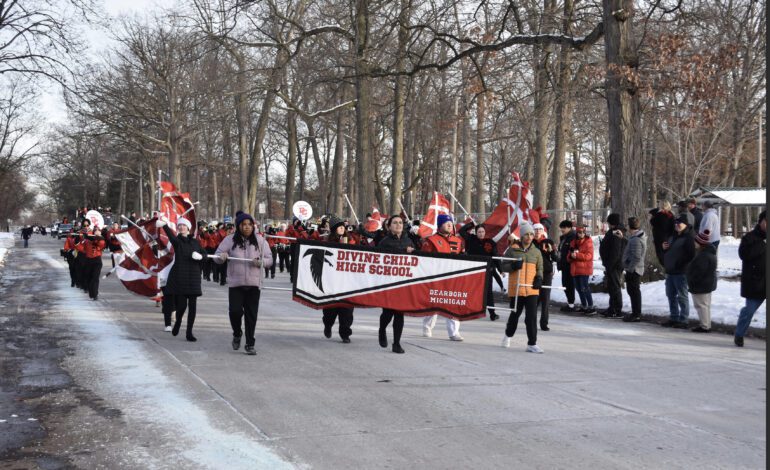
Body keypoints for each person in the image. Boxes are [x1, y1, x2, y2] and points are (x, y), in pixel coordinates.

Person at [214, 212, 273, 355]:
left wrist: (261, 262)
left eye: (249, 225)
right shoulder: (229, 240)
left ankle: (250, 343)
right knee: (235, 312)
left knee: (251, 315)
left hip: (254, 284)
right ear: (238, 226)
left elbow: (269, 259)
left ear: (253, 226)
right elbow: (217, 256)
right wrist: (221, 257)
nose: (247, 227)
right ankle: (237, 333)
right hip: (236, 283)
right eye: (243, 224)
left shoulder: (260, 241)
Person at [158, 217, 206, 341]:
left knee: (193, 306)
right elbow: (170, 236)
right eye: (179, 226)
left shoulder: (195, 242)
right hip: (180, 276)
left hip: (194, 277)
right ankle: (178, 321)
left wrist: (201, 256)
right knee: (182, 306)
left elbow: (205, 254)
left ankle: (189, 332)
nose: (181, 227)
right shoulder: (177, 241)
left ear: (188, 228)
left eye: (184, 225)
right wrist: (164, 225)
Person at [500, 223, 544, 353]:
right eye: (527, 234)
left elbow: (540, 268)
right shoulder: (512, 250)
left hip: (531, 289)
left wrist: (539, 278)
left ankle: (532, 343)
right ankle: (508, 335)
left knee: (531, 317)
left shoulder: (536, 251)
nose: (529, 237)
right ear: (521, 235)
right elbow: (503, 266)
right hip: (517, 288)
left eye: (531, 234)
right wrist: (513, 266)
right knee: (515, 315)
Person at [376, 215, 418, 354]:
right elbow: (380, 259)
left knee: (400, 314)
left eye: (400, 223)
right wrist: (402, 252)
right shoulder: (384, 242)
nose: (398, 225)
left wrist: (415, 252)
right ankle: (382, 330)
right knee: (387, 313)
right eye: (395, 223)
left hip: (403, 283)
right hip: (388, 283)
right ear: (389, 226)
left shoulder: (408, 240)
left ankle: (396, 343)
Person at [420, 214, 465, 341]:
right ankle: (427, 326)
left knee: (453, 303)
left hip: (454, 279)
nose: (449, 224)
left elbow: (464, 257)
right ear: (440, 225)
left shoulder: (458, 241)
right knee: (434, 304)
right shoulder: (431, 240)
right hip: (436, 278)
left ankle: (454, 332)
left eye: (451, 222)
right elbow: (425, 260)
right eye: (446, 222)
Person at [458, 221, 505, 321]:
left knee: (488, 293)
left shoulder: (490, 242)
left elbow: (495, 256)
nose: (481, 234)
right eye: (479, 232)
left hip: (487, 271)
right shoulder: (471, 239)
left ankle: (492, 313)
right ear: (476, 232)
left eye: (483, 232)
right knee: (471, 290)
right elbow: (461, 231)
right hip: (473, 271)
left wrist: (500, 270)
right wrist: (472, 224)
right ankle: (466, 310)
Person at [321, 216, 356, 343]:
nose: (342, 228)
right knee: (331, 309)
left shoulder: (351, 240)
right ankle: (328, 325)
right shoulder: (328, 241)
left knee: (347, 310)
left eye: (343, 226)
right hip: (332, 280)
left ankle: (345, 333)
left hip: (347, 281)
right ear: (335, 229)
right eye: (340, 226)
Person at [734, 210, 766, 347]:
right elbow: (744, 255)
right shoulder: (750, 237)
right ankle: (739, 334)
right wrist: (763, 244)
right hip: (756, 281)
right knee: (749, 311)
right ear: (761, 221)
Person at [662, 212, 696, 328]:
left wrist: (680, 264)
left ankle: (684, 319)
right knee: (670, 295)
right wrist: (664, 249)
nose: (677, 225)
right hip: (670, 270)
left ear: (686, 224)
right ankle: (674, 317)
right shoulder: (672, 236)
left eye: (679, 223)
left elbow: (691, 255)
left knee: (682, 296)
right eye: (676, 222)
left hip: (681, 272)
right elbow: (668, 251)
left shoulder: (689, 238)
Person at [687, 230, 718, 333]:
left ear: (700, 243)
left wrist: (692, 280)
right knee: (705, 305)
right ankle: (706, 324)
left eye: (695, 242)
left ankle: (705, 326)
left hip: (701, 285)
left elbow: (699, 272)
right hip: (706, 284)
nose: (694, 244)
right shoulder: (708, 253)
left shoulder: (703, 256)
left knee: (701, 305)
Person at [599, 213, 626, 318]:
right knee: (612, 287)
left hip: (614, 265)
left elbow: (616, 251)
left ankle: (617, 309)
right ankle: (612, 308)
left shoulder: (617, 233)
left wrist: (610, 264)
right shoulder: (612, 231)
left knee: (615, 287)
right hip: (610, 263)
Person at [532, 223, 557, 331]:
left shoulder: (548, 242)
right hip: (533, 272)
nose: (538, 231)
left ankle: (544, 323)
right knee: (534, 299)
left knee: (545, 298)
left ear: (543, 231)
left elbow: (556, 258)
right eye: (536, 229)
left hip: (546, 273)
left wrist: (552, 251)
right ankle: (531, 321)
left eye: (540, 229)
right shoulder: (530, 242)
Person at [622, 217, 647, 322]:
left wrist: (630, 269)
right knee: (632, 291)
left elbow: (637, 256)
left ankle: (636, 314)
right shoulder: (636, 237)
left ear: (629, 226)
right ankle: (635, 312)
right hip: (634, 269)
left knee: (634, 291)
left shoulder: (636, 239)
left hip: (634, 270)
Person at [570, 226, 596, 315]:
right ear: (577, 233)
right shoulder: (573, 242)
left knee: (585, 288)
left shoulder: (588, 242)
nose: (581, 234)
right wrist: (570, 256)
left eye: (583, 232)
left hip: (584, 268)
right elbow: (569, 255)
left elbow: (589, 256)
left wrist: (577, 256)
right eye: (579, 232)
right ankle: (584, 305)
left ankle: (591, 306)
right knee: (578, 288)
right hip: (575, 268)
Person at [557, 220, 578, 312]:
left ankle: (571, 304)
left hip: (570, 265)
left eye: (564, 228)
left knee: (569, 285)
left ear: (569, 228)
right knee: (565, 284)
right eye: (561, 227)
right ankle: (570, 303)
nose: (562, 229)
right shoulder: (563, 238)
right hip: (564, 264)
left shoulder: (573, 237)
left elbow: (574, 250)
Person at [81, 225, 107, 300]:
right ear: (93, 232)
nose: (97, 232)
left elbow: (101, 244)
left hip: (97, 261)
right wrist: (81, 237)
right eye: (96, 231)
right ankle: (91, 292)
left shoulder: (101, 239)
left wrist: (92, 238)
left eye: (99, 231)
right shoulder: (88, 240)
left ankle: (95, 294)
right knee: (89, 278)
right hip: (88, 260)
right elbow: (82, 247)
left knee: (95, 278)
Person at [648, 200, 675, 266]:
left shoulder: (660, 216)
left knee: (662, 258)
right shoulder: (671, 215)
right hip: (668, 239)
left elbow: (653, 223)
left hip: (661, 240)